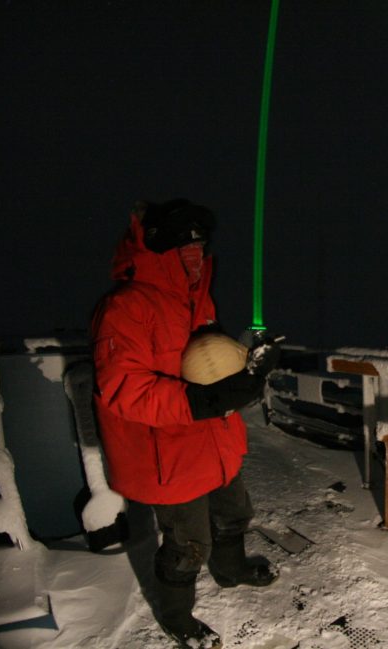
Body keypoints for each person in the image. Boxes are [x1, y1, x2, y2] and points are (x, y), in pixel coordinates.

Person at [91, 199, 279, 648]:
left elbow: (206, 361)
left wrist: (250, 365)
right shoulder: (125, 307)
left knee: (235, 511)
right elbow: (123, 388)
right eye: (185, 241)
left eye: (200, 241)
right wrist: (203, 400)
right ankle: (177, 617)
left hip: (212, 437)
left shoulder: (198, 297)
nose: (195, 250)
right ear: (158, 245)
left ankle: (231, 569)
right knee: (188, 542)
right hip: (167, 452)